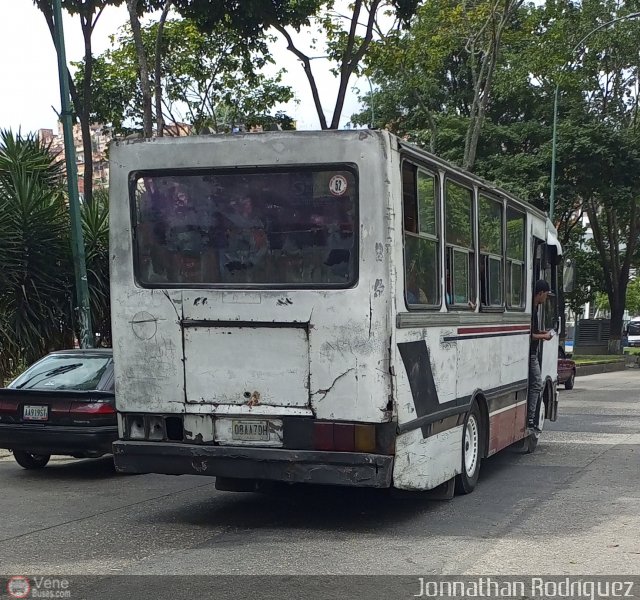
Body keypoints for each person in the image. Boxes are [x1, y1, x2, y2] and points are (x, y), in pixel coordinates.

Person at [528, 279, 554, 431]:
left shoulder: (535, 308)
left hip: (533, 351)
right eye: (546, 294)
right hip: (531, 353)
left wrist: (542, 333)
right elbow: (529, 334)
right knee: (537, 384)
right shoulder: (531, 310)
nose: (546, 298)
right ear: (540, 293)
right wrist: (543, 337)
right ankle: (531, 418)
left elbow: (533, 332)